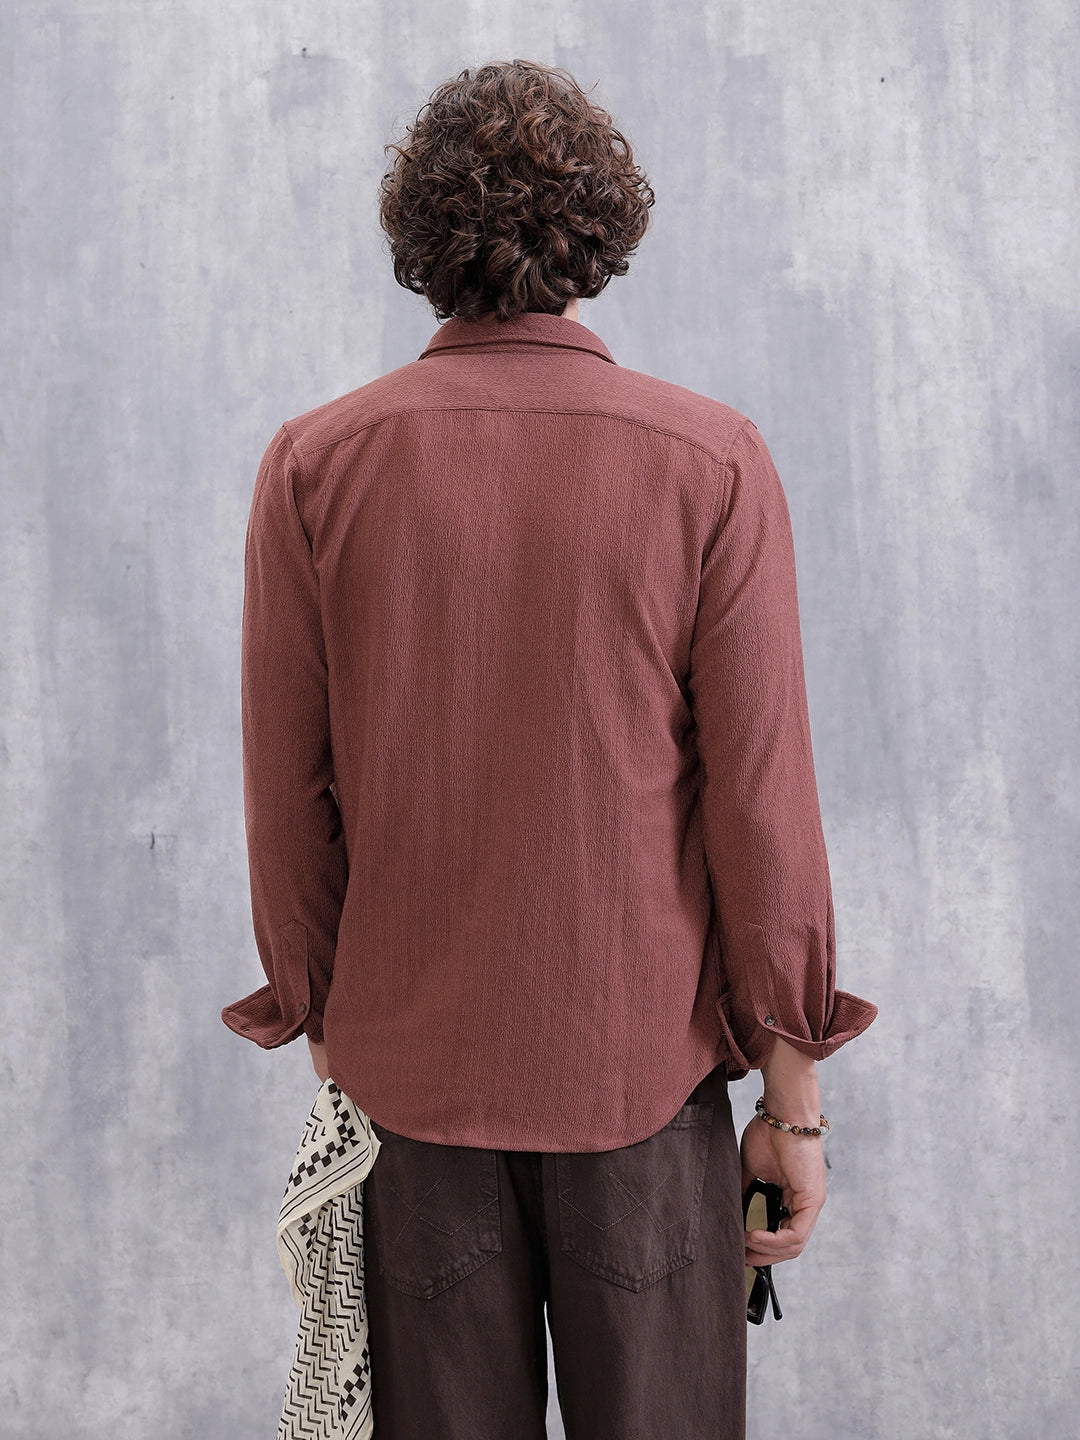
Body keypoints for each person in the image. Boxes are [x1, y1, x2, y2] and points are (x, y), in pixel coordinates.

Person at [222, 57, 877, 1440]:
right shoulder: (712, 463)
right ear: (600, 232)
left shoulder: (315, 467)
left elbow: (288, 812)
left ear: (425, 239)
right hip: (641, 1079)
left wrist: (339, 1040)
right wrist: (793, 1107)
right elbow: (763, 809)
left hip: (409, 1099)